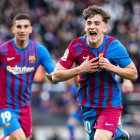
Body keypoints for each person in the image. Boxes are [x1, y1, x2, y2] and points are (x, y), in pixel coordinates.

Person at [51, 5, 138, 140]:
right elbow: (56, 76)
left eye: (97, 23)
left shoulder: (114, 45)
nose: (92, 26)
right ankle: (118, 134)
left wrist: (111, 67)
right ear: (85, 27)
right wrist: (80, 69)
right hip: (88, 106)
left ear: (104, 28)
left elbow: (133, 73)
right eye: (89, 23)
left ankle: (116, 133)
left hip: (110, 104)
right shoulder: (75, 46)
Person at [0, 13, 55, 140]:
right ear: (13, 29)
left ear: (30, 29)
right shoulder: (2, 50)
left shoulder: (39, 50)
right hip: (5, 106)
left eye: (25, 26)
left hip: (25, 107)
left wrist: (66, 74)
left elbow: (55, 75)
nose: (22, 30)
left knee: (25, 138)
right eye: (19, 27)